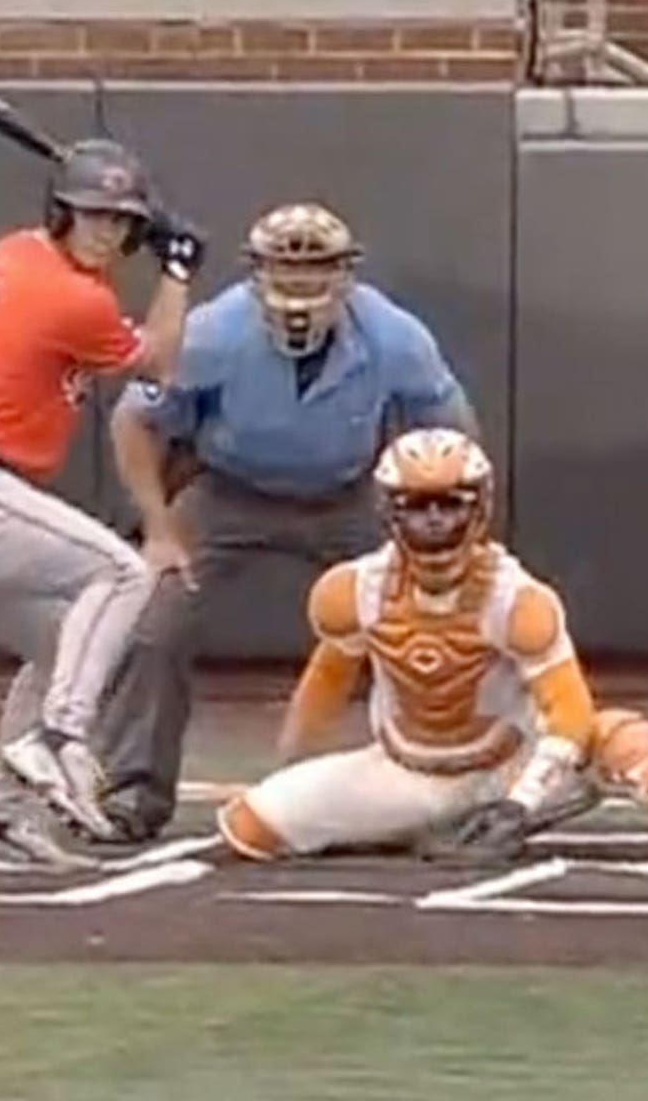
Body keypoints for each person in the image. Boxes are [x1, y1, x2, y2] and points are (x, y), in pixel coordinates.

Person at [0, 139, 207, 872]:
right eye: (92, 217)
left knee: (64, 641)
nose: (108, 234)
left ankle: (3, 823)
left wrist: (152, 242)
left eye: (121, 222)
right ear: (59, 214)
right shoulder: (71, 296)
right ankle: (60, 738)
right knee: (121, 574)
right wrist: (177, 272)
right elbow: (161, 361)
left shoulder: (19, 253)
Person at [96, 203, 476, 842]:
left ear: (346, 274)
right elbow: (134, 421)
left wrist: (453, 535)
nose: (300, 286)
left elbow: (453, 429)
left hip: (353, 493)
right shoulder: (213, 332)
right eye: (285, 269)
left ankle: (444, 787)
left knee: (441, 624)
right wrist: (158, 529)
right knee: (152, 619)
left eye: (316, 269)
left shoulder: (394, 336)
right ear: (256, 272)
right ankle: (132, 789)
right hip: (228, 492)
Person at [216, 428, 597, 866]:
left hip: (507, 766)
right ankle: (425, 824)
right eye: (417, 506)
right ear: (388, 512)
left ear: (480, 508)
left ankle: (543, 802)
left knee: (623, 743)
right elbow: (326, 682)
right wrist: (291, 767)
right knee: (250, 827)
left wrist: (520, 804)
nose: (434, 519)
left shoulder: (519, 600)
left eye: (451, 504)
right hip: (410, 769)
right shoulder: (354, 591)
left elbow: (572, 713)